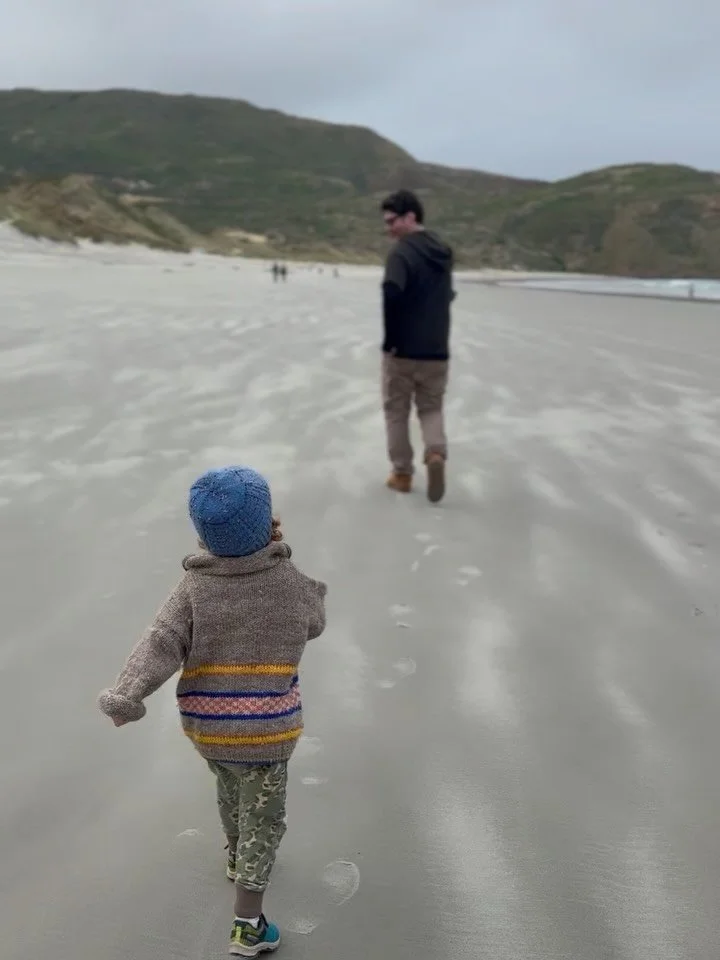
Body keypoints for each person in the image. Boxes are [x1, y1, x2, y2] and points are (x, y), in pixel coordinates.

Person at [98, 466, 327, 957]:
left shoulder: (193, 589)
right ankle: (249, 924)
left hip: (210, 726)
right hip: (267, 730)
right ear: (268, 523)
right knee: (264, 817)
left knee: (228, 785)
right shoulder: (288, 581)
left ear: (202, 533)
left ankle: (233, 853)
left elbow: (159, 642)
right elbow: (315, 622)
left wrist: (127, 694)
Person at [380, 189, 455, 503]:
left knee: (396, 411)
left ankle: (402, 474)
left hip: (403, 351)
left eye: (393, 220)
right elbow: (446, 295)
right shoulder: (443, 251)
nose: (389, 228)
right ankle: (435, 453)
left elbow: (392, 296)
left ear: (411, 216)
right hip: (437, 350)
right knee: (431, 407)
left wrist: (391, 343)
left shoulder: (401, 253)